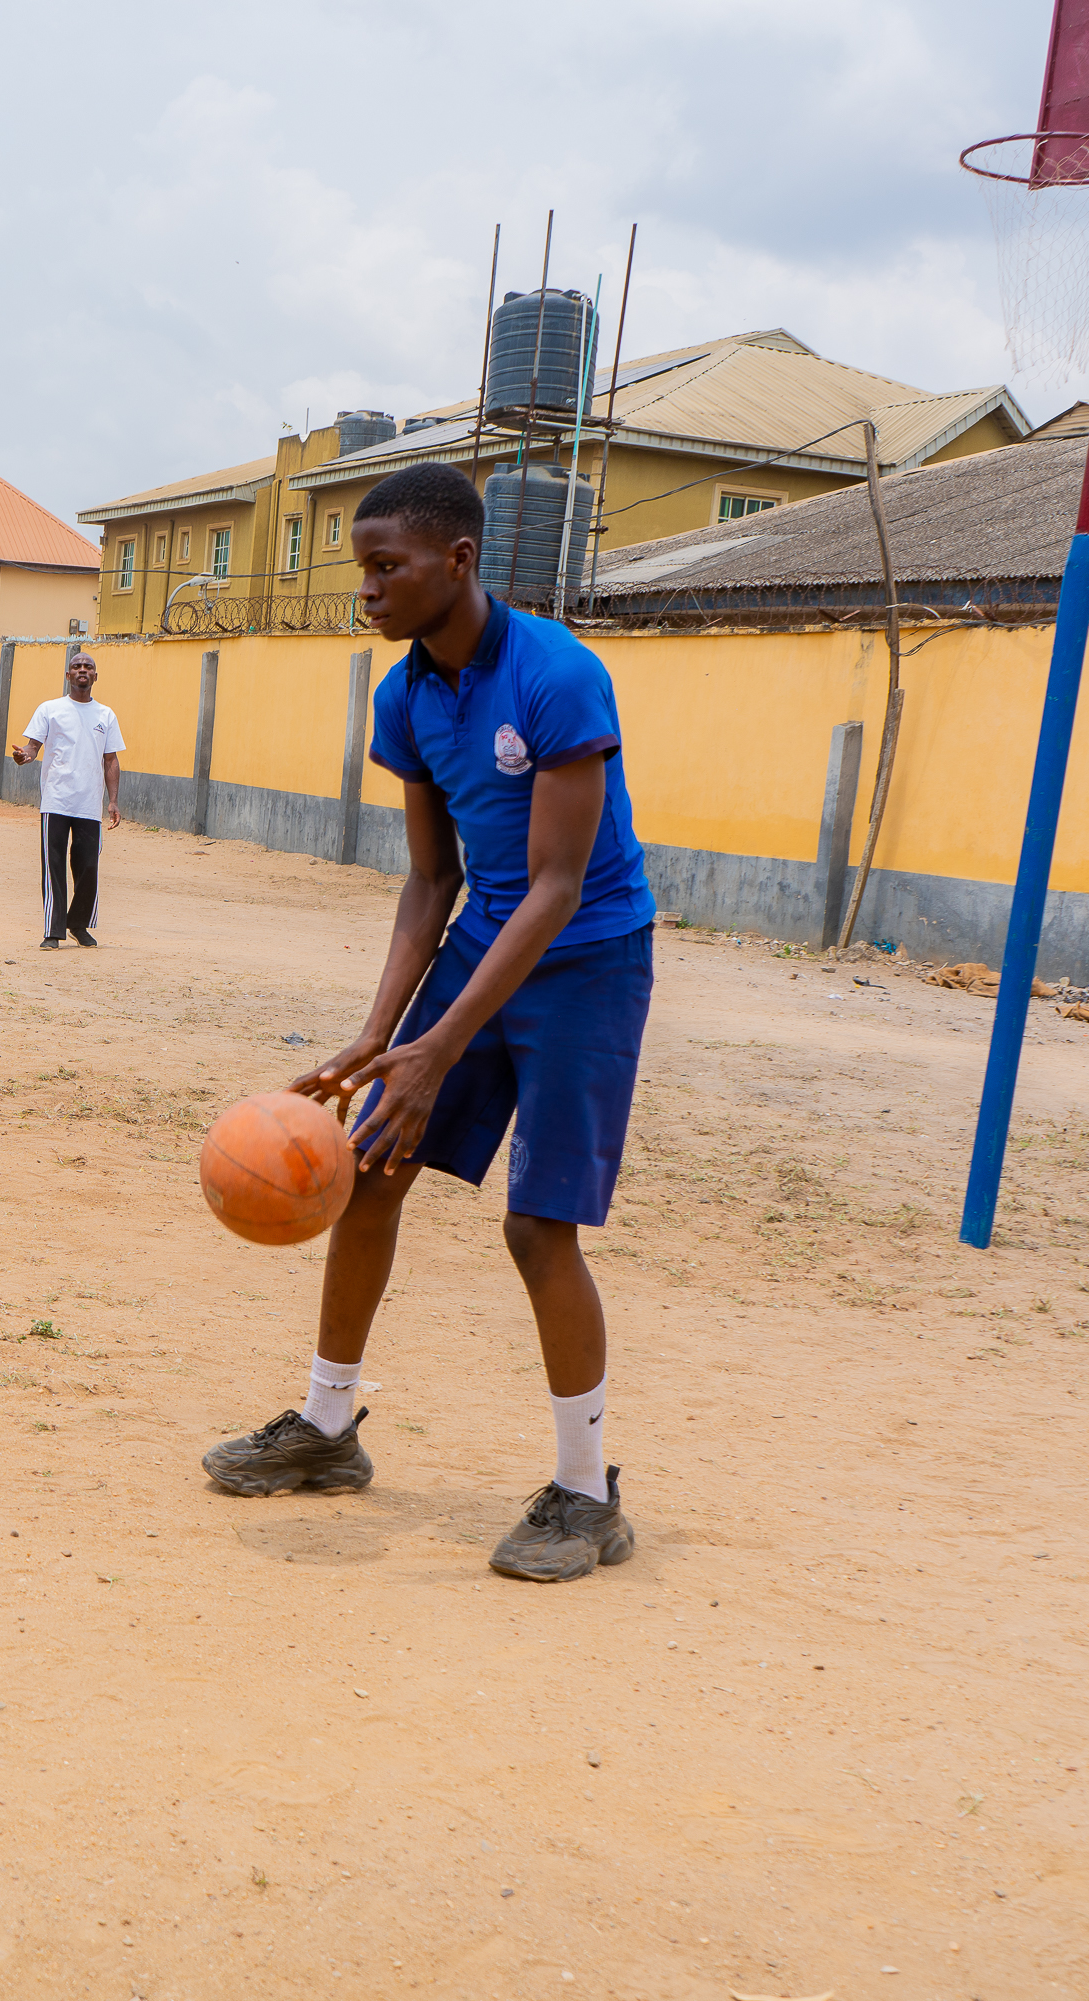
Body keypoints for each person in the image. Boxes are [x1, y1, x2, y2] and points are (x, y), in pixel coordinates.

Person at [200, 462, 657, 1586]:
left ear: (457, 560)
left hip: (588, 959)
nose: (367, 589)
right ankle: (328, 1429)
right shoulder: (404, 696)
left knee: (537, 1229)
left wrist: (439, 1046)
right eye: (362, 568)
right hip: (481, 941)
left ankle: (587, 1494)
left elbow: (557, 885)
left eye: (385, 567)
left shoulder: (557, 674)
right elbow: (431, 879)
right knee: (370, 1174)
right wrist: (380, 1035)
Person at [11, 650, 124, 948]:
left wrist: (113, 801)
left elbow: (111, 760)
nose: (82, 670)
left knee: (89, 868)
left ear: (95, 676)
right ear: (68, 675)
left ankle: (78, 924)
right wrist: (25, 756)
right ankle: (53, 930)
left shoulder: (106, 715)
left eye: (88, 666)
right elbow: (33, 746)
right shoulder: (50, 709)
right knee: (54, 866)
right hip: (56, 801)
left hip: (89, 804)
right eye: (76, 666)